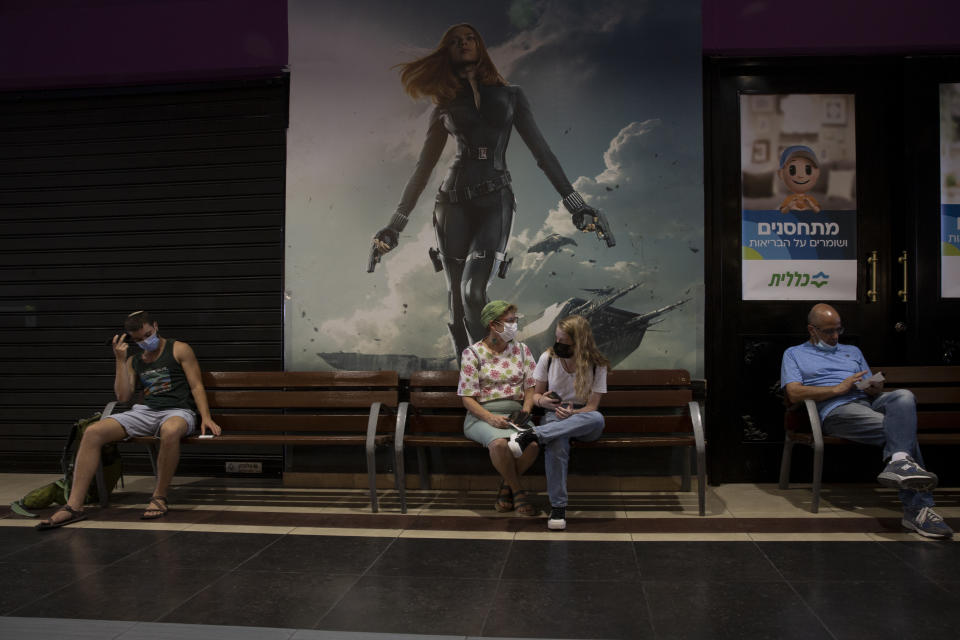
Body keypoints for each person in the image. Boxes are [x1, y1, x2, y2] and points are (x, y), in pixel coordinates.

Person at [370, 23, 610, 358]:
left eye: (469, 39)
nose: (464, 44)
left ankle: (496, 367)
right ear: (448, 52)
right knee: (455, 297)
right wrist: (395, 225)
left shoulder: (511, 96)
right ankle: (467, 374)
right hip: (450, 205)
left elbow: (543, 152)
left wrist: (576, 205)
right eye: (455, 41)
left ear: (480, 46)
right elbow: (423, 169)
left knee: (472, 291)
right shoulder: (444, 105)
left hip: (495, 201)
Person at [780, 303, 952, 539]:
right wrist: (837, 389)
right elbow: (794, 393)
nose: (835, 336)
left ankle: (899, 461)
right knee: (901, 431)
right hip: (838, 410)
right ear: (812, 330)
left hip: (868, 402)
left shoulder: (852, 351)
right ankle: (918, 510)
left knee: (903, 395)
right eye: (828, 331)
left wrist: (874, 386)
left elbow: (869, 385)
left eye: (838, 330)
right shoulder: (794, 354)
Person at [37, 311, 222, 529]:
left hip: (178, 411)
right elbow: (123, 396)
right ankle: (74, 506)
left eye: (147, 335)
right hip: (144, 411)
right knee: (93, 432)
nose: (144, 341)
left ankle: (159, 497)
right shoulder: (135, 360)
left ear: (156, 325)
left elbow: (196, 385)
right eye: (138, 339)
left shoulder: (179, 348)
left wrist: (206, 417)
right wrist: (120, 360)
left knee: (170, 430)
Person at [509, 315, 608, 530]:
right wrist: (544, 401)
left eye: (564, 342)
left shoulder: (596, 364)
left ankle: (534, 435)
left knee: (597, 419)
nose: (558, 345)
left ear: (579, 342)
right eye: (557, 339)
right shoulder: (549, 358)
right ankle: (558, 508)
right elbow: (536, 396)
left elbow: (592, 407)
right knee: (557, 444)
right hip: (554, 415)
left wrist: (574, 413)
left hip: (583, 419)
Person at [458, 300, 539, 516]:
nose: (515, 325)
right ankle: (518, 492)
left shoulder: (522, 350)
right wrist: (490, 418)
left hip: (516, 414)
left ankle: (506, 487)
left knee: (532, 445)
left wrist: (527, 409)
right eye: (510, 321)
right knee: (499, 444)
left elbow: (531, 387)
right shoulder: (472, 353)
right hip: (482, 415)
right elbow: (467, 398)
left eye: (515, 320)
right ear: (494, 325)